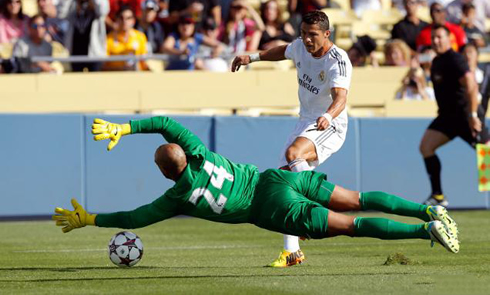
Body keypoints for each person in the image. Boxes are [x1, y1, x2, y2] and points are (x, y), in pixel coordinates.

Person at [53, 117, 460, 260]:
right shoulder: (197, 151)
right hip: (279, 177)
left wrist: (90, 219)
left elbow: (132, 217)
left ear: (164, 174)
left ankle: (426, 232)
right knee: (357, 198)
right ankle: (429, 211)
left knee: (350, 225)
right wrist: (125, 128)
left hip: (270, 208)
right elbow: (164, 122)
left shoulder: (176, 196)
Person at [231, 10, 353, 267]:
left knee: (292, 156)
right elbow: (282, 51)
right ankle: (292, 251)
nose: (307, 40)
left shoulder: (337, 59)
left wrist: (329, 117)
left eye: (313, 35)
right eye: (303, 34)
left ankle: (309, 206)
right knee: (284, 180)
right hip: (306, 121)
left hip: (330, 124)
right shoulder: (299, 47)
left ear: (326, 34)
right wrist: (251, 57)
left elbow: (341, 98)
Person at [419, 25, 488, 207]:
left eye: (440, 37)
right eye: (433, 37)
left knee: (487, 156)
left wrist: (473, 115)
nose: (436, 41)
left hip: (465, 117)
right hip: (447, 118)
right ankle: (438, 196)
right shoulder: (436, 61)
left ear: (450, 39)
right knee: (426, 147)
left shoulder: (455, 59)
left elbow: (471, 86)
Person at [64, 0, 109, 72]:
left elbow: (102, 10)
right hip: (76, 52)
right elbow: (62, 13)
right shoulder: (73, 3)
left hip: (94, 53)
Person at [104, 6, 148, 71]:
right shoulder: (108, 39)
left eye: (128, 18)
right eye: (121, 18)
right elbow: (102, 66)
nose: (124, 21)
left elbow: (144, 63)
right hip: (115, 78)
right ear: (117, 19)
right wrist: (121, 69)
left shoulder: (140, 37)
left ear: (133, 20)